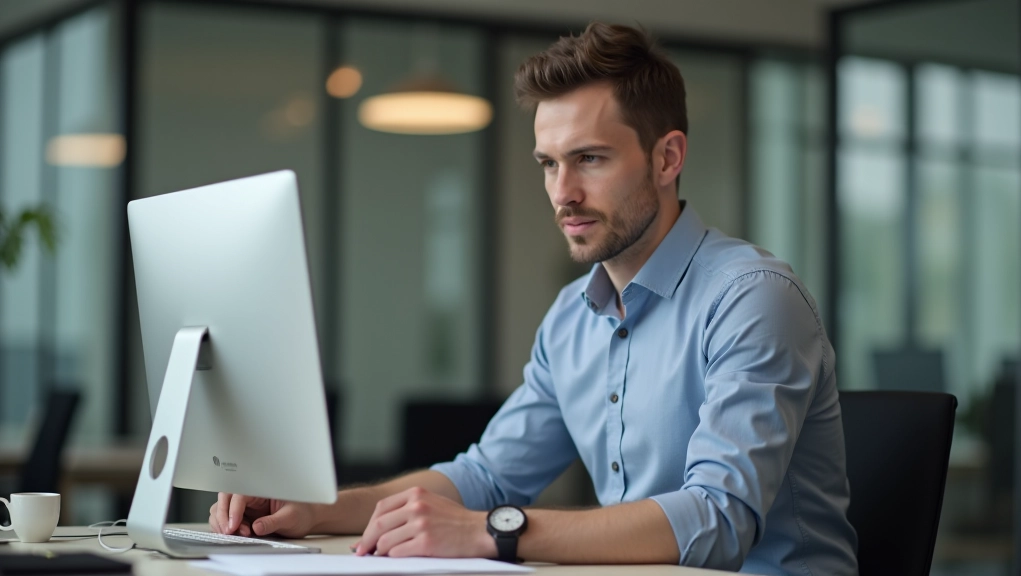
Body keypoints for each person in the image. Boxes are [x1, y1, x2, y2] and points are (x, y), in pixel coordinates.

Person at [210, 22, 858, 575]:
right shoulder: (573, 317)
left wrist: (494, 531)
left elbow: (718, 521)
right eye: (549, 163)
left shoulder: (753, 299)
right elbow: (487, 476)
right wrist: (316, 508)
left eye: (590, 159)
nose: (562, 192)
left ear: (667, 159)